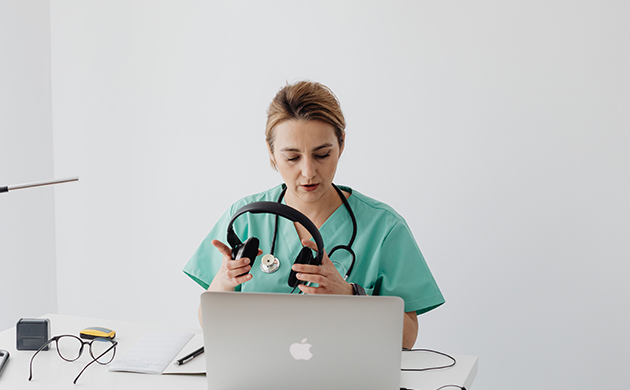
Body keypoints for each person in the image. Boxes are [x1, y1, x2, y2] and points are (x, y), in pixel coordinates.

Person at [183, 81, 444, 349]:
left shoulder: (384, 228)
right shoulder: (247, 218)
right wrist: (225, 281)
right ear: (271, 152)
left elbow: (407, 339)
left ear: (341, 145)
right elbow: (210, 322)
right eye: (292, 158)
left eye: (322, 154)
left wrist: (348, 295)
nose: (308, 172)